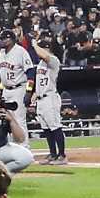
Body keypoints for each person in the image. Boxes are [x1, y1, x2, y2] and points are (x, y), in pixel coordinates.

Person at [31, 36, 67, 165]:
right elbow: (40, 82)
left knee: (55, 127)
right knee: (46, 128)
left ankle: (62, 155)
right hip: (41, 99)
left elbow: (44, 55)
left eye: (42, 48)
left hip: (50, 98)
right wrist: (35, 94)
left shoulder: (53, 60)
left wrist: (35, 44)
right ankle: (53, 154)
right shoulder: (41, 63)